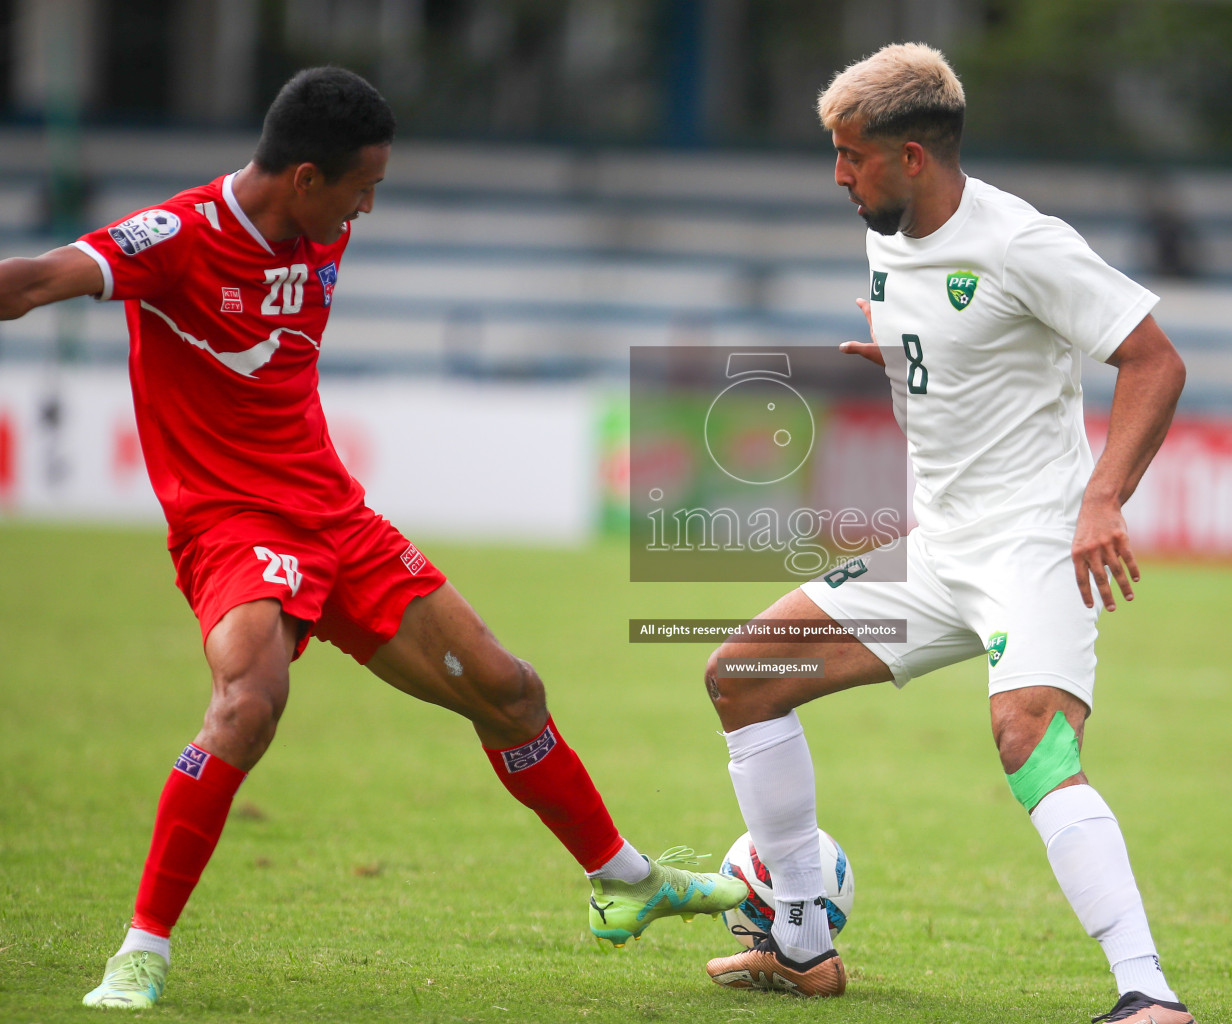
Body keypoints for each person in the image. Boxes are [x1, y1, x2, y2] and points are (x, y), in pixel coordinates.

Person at [0, 67, 745, 1011]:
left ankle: (626, 881)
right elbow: (28, 284)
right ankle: (141, 950)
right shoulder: (178, 239)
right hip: (231, 526)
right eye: (364, 187)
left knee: (512, 692)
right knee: (248, 704)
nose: (369, 209)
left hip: (335, 518)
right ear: (306, 178)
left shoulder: (324, 227)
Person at [700, 44, 1195, 1024]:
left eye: (852, 155)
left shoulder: (1020, 241)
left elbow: (1154, 360)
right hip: (941, 547)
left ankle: (1149, 995)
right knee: (742, 676)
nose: (839, 174)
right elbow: (949, 335)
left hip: (1032, 542)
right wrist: (897, 350)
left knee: (1033, 744)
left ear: (913, 157)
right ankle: (800, 941)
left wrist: (1103, 501)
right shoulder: (889, 229)